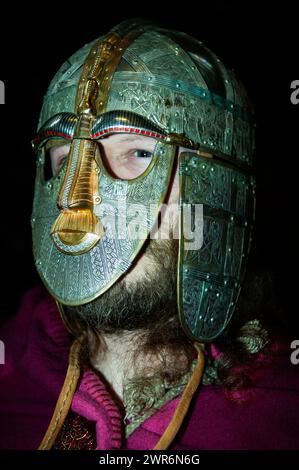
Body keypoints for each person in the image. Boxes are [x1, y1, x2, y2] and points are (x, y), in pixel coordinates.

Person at [0, 19, 298, 451]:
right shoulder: (12, 373)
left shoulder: (278, 418)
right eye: (65, 160)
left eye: (139, 153)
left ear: (219, 185)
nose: (86, 200)